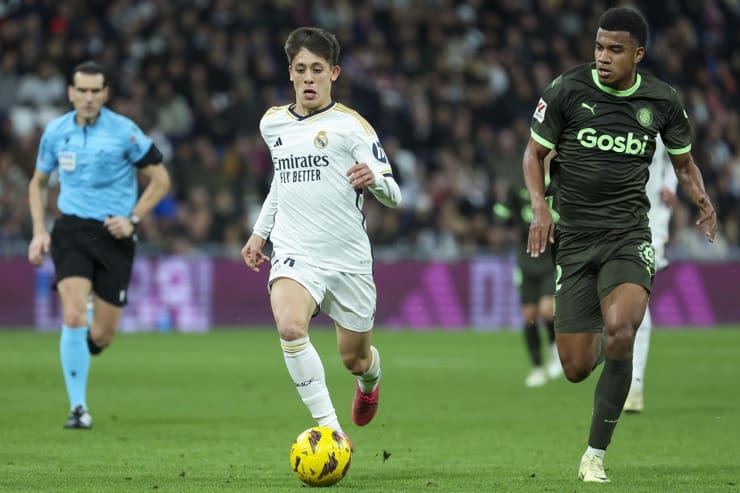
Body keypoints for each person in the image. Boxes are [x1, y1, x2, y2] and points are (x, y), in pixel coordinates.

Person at [522, 7, 717, 483]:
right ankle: (611, 371)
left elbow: (684, 163)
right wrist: (540, 208)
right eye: (598, 47)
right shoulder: (567, 89)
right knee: (575, 366)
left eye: (614, 49)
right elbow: (534, 154)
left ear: (638, 54)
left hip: (630, 235)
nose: (603, 57)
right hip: (574, 240)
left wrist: (704, 202)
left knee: (622, 330)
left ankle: (594, 454)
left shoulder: (662, 100)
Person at [241, 27, 402, 438]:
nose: (308, 78)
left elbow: (395, 194)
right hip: (296, 251)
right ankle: (330, 430)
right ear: (290, 73)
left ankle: (370, 380)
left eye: (317, 69)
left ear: (334, 73)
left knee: (355, 359)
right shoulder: (273, 124)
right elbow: (281, 180)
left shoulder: (353, 127)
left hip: (348, 258)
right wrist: (260, 234)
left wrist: (376, 181)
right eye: (301, 69)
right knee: (291, 326)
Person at [27, 61, 171, 429]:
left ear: (105, 94)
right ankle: (78, 409)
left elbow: (160, 180)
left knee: (102, 335)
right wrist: (40, 231)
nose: (89, 97)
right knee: (73, 313)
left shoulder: (125, 132)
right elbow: (38, 183)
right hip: (71, 230)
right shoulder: (56, 132)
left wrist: (133, 219)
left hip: (114, 234)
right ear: (71, 93)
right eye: (82, 90)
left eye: (96, 91)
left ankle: (82, 344)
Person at [623, 136, 677, 413]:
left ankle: (635, 385)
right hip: (611, 221)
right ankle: (623, 377)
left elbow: (679, 158)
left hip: (650, 223)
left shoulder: (661, 104)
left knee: (637, 297)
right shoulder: (609, 107)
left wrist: (670, 184)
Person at [492, 179, 561, 387]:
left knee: (547, 310)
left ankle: (553, 347)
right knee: (529, 316)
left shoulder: (557, 187)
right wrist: (503, 204)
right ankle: (537, 368)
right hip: (526, 257)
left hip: (550, 258)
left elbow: (563, 218)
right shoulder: (520, 188)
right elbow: (500, 214)